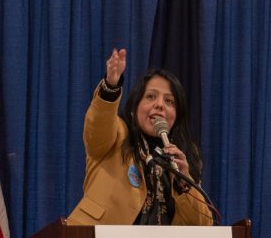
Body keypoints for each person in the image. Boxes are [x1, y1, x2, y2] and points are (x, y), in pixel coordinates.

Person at [67, 47, 212, 226]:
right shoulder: (117, 135)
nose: (160, 105)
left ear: (177, 115)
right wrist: (110, 87)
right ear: (135, 109)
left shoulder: (183, 157)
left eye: (169, 101)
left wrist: (185, 182)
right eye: (150, 96)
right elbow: (98, 125)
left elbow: (202, 227)